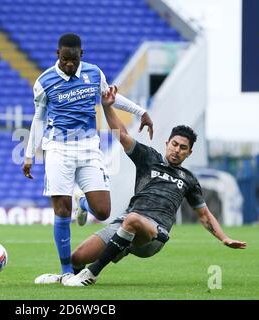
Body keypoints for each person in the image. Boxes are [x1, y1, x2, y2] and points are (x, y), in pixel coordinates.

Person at [62, 86, 247, 286]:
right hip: (123, 223)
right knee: (77, 257)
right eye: (174, 144)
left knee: (133, 219)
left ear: (189, 153)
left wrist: (224, 238)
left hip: (153, 235)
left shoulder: (189, 179)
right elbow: (123, 135)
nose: (177, 150)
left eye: (183, 148)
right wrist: (107, 107)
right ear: (167, 142)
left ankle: (92, 273)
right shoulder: (149, 158)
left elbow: (204, 215)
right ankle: (70, 278)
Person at [22, 33, 154, 284]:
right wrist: (30, 155)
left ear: (81, 55)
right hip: (58, 149)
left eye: (73, 60)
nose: (69, 65)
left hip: (88, 147)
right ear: (57, 55)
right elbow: (38, 118)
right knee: (61, 210)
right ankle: (66, 272)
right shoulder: (44, 81)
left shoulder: (94, 74)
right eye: (64, 60)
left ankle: (82, 202)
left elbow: (111, 98)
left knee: (103, 212)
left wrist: (141, 112)